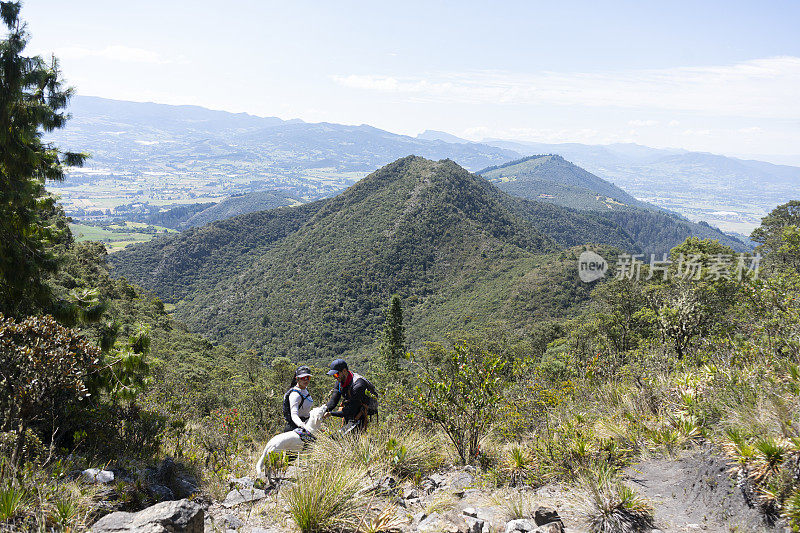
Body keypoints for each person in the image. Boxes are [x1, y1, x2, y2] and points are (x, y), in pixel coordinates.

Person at [324, 359, 378, 433]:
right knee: (343, 437)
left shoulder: (358, 385)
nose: (335, 377)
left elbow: (351, 410)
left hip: (361, 410)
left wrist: (331, 414)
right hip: (352, 407)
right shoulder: (340, 382)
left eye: (336, 374)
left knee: (344, 437)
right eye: (333, 375)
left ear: (344, 371)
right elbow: (333, 402)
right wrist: (321, 410)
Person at [282, 366, 314, 433]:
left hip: (306, 423)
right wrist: (303, 426)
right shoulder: (295, 394)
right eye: (303, 378)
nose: (306, 380)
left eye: (308, 378)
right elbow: (294, 415)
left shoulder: (304, 390)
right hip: (295, 428)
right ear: (297, 379)